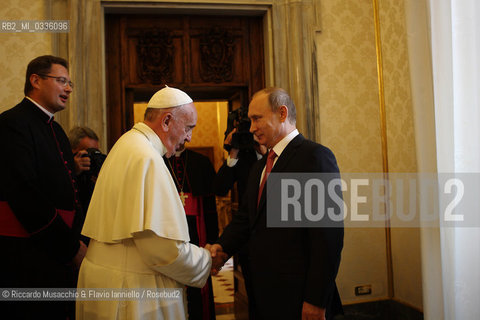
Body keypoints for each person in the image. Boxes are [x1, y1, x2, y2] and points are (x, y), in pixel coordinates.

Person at [77, 86, 220, 320]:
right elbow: (162, 251)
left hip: (108, 278)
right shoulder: (147, 158)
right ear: (166, 121)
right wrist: (206, 260)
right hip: (131, 290)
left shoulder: (127, 144)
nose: (189, 137)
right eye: (188, 128)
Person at [208, 87, 344, 320]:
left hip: (300, 297)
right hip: (264, 293)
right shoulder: (260, 166)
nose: (251, 128)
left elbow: (327, 237)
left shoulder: (315, 157)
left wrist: (316, 300)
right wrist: (221, 248)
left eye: (256, 119)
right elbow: (246, 218)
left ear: (282, 113)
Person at [0, 55, 87, 319]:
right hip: (27, 256)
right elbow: (25, 194)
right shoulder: (11, 124)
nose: (69, 88)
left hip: (57, 251)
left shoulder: (57, 130)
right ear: (35, 80)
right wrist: (71, 248)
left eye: (70, 83)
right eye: (61, 81)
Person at [164, 146, 219, 320]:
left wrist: (213, 241)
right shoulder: (158, 160)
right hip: (170, 232)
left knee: (198, 288)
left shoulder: (201, 162)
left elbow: (210, 208)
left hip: (198, 231)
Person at [68, 126, 105, 212]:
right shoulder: (65, 170)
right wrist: (73, 169)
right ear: (72, 151)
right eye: (89, 152)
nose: (92, 158)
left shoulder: (97, 169)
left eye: (96, 152)